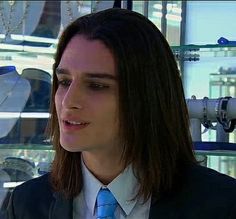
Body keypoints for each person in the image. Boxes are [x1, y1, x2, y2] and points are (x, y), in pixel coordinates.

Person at [4, 8, 236, 219]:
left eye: (97, 85)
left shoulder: (222, 204)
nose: (68, 101)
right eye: (64, 81)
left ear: (147, 96)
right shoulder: (26, 204)